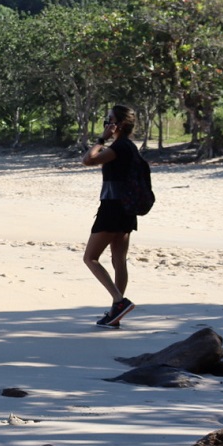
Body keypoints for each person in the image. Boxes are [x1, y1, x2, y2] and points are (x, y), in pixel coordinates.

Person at [83, 104, 141, 327]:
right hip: (127, 209)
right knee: (119, 261)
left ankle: (119, 302)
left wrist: (101, 138)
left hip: (111, 208)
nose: (106, 124)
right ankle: (115, 313)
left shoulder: (118, 147)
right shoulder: (130, 147)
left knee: (90, 257)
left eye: (109, 120)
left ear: (118, 124)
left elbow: (88, 159)